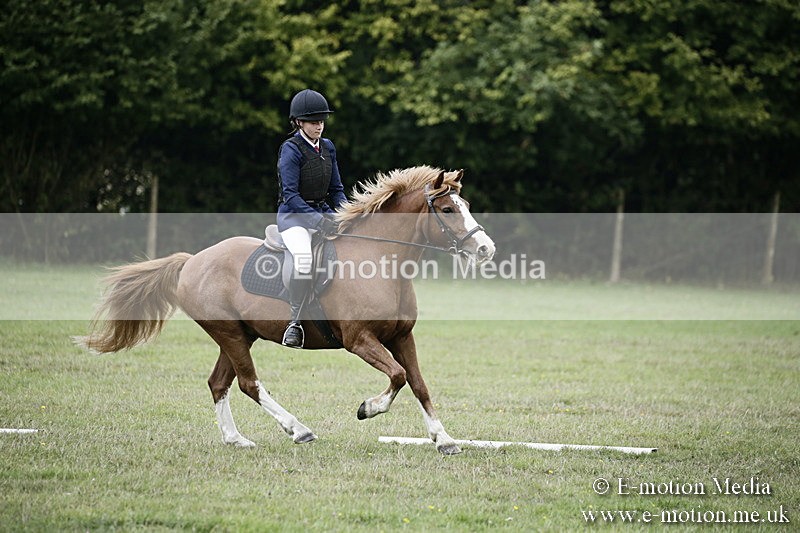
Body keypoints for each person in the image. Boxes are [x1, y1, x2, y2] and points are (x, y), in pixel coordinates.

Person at [275, 89, 347, 348]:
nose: (319, 126)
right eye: (313, 121)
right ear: (299, 123)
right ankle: (294, 324)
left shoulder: (327, 147)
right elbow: (291, 196)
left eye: (321, 121)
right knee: (304, 261)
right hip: (294, 218)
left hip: (322, 213)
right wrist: (318, 221)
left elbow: (336, 189)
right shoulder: (290, 150)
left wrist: (346, 214)